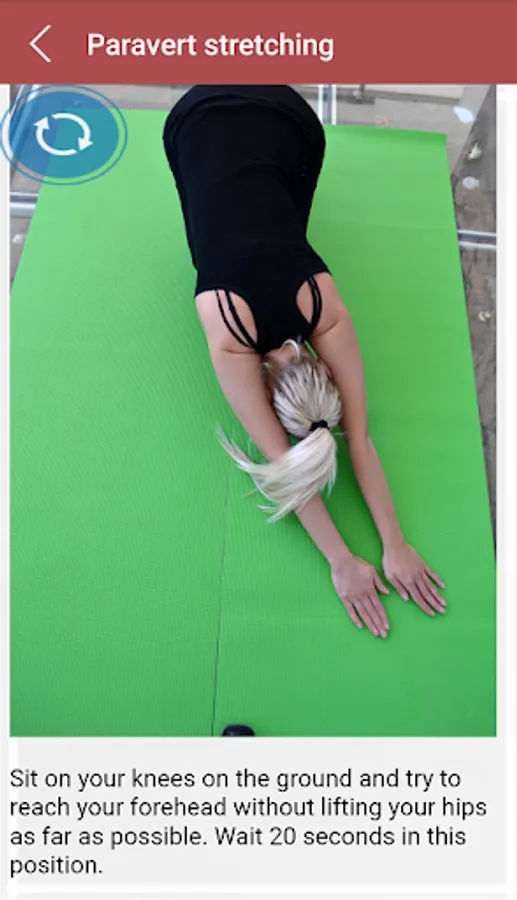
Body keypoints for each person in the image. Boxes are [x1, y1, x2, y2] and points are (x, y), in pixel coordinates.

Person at [163, 85, 446, 640]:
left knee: (283, 209)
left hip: (289, 119)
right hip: (192, 121)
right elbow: (292, 461)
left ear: (323, 369)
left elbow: (355, 442)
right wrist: (349, 557)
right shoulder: (228, 333)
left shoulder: (324, 307)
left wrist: (391, 545)